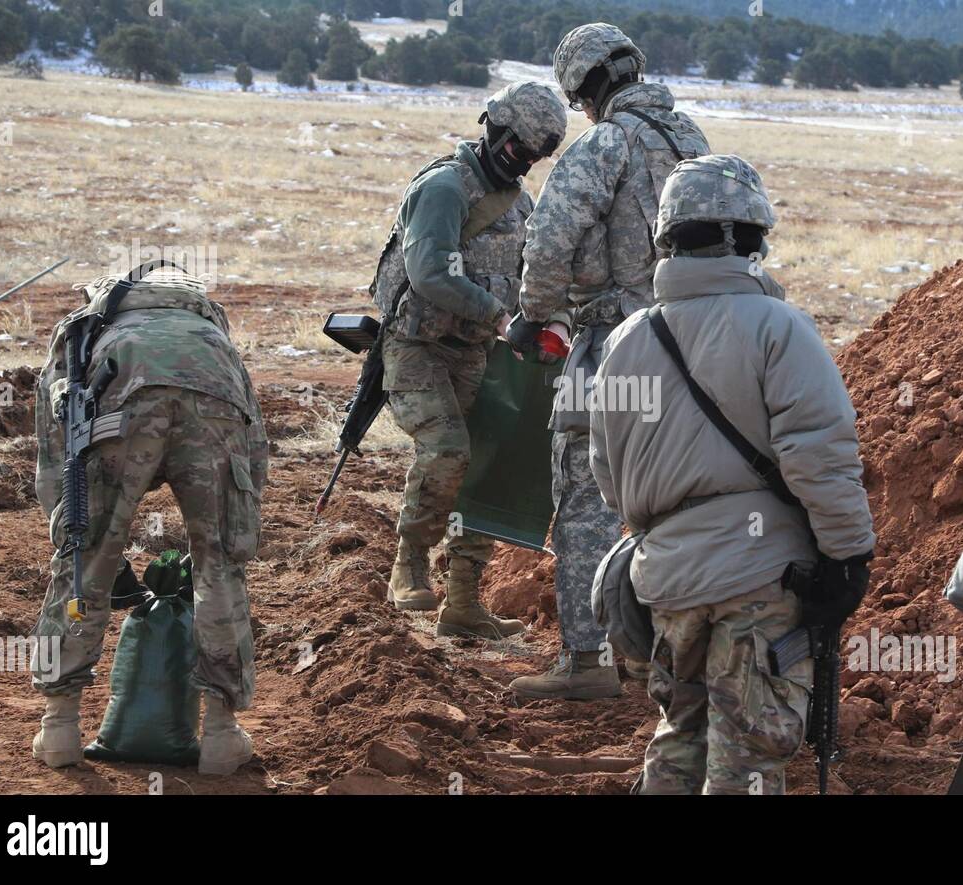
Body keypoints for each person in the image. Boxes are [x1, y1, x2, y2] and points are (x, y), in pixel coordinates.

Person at [588, 155, 875, 793]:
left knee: (680, 737)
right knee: (746, 754)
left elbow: (608, 472)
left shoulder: (628, 341)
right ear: (749, 238)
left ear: (668, 241)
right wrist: (848, 555)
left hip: (665, 580)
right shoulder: (779, 328)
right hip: (760, 578)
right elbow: (819, 456)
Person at [507, 22, 711, 699]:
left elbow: (549, 238)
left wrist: (536, 313)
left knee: (585, 493)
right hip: (694, 350)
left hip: (612, 345)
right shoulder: (693, 142)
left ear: (585, 88)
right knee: (678, 500)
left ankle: (587, 663)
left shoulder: (605, 142)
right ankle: (676, 661)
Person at [31, 263, 267, 776]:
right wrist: (234, 529)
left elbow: (54, 445)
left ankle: (60, 726)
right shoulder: (211, 331)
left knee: (84, 567)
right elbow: (254, 437)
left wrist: (71, 529)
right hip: (214, 405)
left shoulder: (87, 328)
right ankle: (222, 736)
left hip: (121, 408)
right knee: (218, 570)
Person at [374, 81, 566, 639]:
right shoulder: (443, 189)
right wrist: (501, 319)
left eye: (533, 157)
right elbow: (430, 274)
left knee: (486, 465)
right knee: (447, 448)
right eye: (516, 151)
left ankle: (461, 605)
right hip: (418, 349)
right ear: (493, 132)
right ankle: (409, 562)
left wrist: (551, 320)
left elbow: (534, 276)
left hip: (480, 353)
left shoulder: (521, 204)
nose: (523, 164)